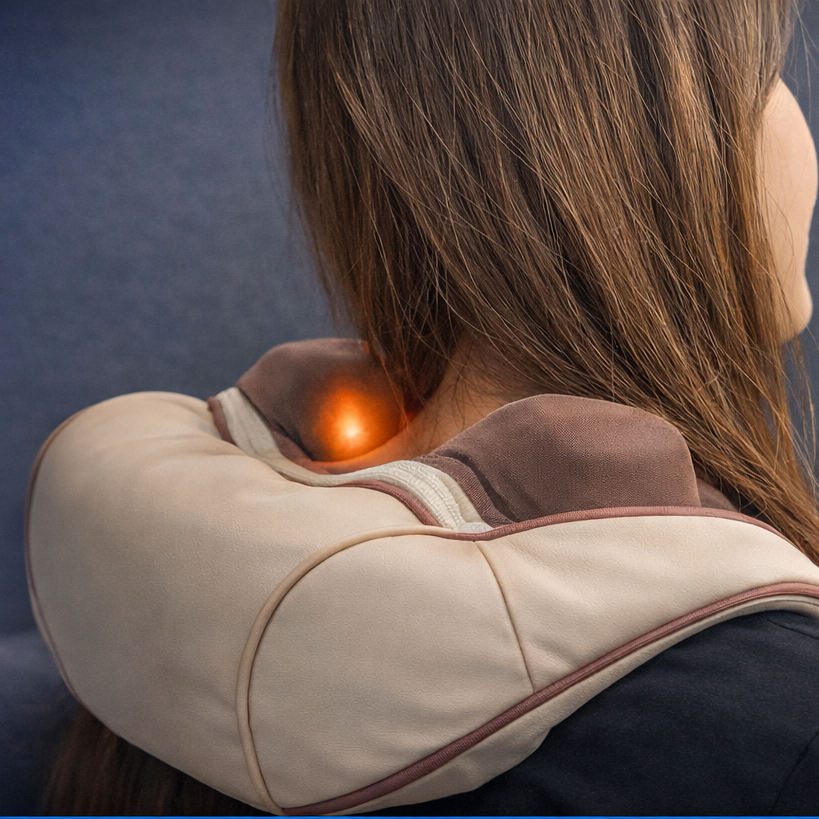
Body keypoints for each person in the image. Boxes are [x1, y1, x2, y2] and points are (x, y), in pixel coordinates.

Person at [28, 0, 819, 814]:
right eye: (764, 75)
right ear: (615, 148)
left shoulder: (154, 626)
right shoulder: (783, 720)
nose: (798, 126)